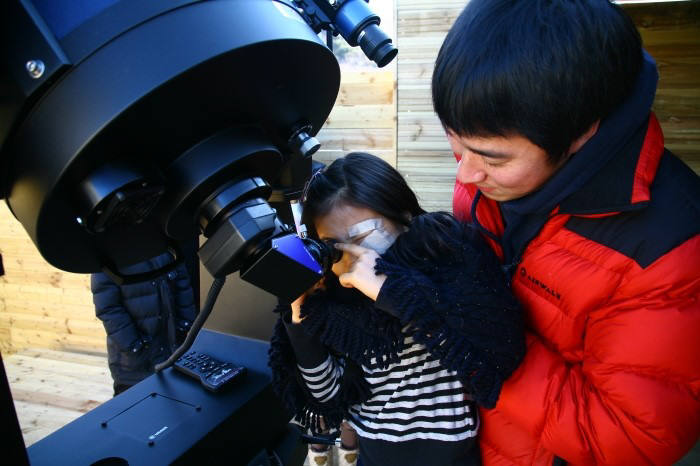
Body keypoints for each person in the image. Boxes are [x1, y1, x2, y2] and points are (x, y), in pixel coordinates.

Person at [431, 0, 700, 464]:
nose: (465, 174)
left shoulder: (669, 248)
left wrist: (474, 338)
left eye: (492, 157)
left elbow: (632, 438)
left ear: (581, 134)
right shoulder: (487, 181)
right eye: (453, 138)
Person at [268, 152, 526, 466]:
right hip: (376, 457)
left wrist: (394, 293)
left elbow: (488, 353)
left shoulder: (443, 260)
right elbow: (329, 395)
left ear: (403, 215)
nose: (353, 259)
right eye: (334, 250)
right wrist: (301, 323)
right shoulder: (339, 306)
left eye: (363, 237)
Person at [91, 252, 197, 396]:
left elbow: (182, 283)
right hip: (134, 367)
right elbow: (108, 308)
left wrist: (186, 325)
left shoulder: (161, 245)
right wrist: (134, 345)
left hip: (171, 354)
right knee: (135, 413)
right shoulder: (108, 254)